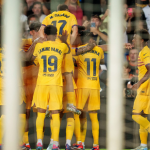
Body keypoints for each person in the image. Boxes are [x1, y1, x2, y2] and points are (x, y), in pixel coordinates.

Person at [74, 32, 104, 150]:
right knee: (94, 116)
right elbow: (101, 66)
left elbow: (74, 65)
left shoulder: (80, 50)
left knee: (78, 114)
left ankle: (80, 142)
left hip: (82, 85)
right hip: (95, 86)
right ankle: (96, 145)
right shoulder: (99, 51)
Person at [127, 29, 150, 150]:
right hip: (147, 89)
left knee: (135, 115)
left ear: (141, 39)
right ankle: (144, 146)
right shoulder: (144, 51)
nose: (132, 39)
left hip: (145, 89)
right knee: (143, 116)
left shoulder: (145, 52)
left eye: (135, 37)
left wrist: (138, 83)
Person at [22, 21, 41, 150]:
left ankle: (41, 142)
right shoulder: (25, 43)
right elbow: (24, 59)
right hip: (27, 84)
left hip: (41, 84)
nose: (42, 33)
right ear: (32, 32)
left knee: (41, 113)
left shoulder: (47, 44)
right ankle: (26, 142)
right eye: (39, 30)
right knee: (27, 114)